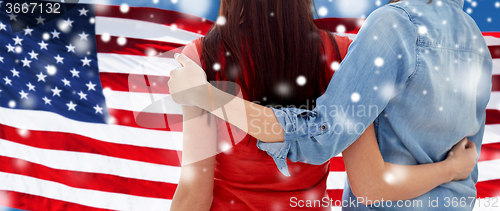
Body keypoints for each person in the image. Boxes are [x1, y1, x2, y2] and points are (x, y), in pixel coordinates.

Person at [168, 0, 484, 210]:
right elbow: (369, 173)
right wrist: (452, 169)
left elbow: (195, 193)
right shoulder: (342, 53)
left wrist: (207, 95)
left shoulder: (203, 59)